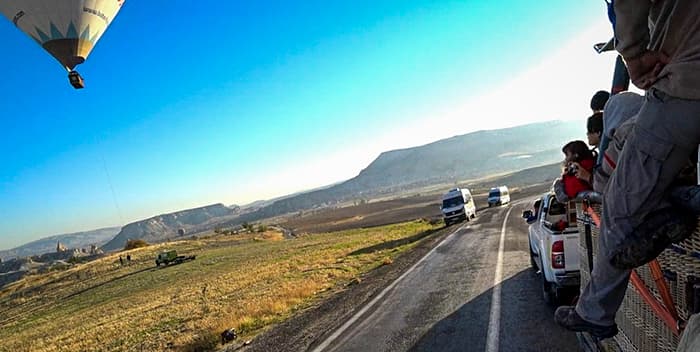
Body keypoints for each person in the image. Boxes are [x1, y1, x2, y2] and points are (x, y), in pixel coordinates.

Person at [555, 1, 700, 339]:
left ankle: (595, 313)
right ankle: (665, 201)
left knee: (619, 208)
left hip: (686, 83)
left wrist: (633, 58)